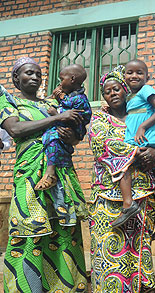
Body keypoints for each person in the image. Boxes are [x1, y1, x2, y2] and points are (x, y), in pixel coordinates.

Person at [0, 57, 87, 292]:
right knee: (29, 231)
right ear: (16, 78)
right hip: (29, 176)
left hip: (61, 174)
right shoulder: (10, 102)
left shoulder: (51, 102)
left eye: (39, 74)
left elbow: (76, 132)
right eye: (29, 73)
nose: (36, 77)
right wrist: (58, 118)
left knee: (64, 232)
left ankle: (65, 287)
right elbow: (15, 129)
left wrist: (73, 137)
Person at [88, 68, 155, 292]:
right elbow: (102, 144)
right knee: (108, 250)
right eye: (106, 92)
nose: (112, 94)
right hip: (108, 198)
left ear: (125, 89)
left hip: (144, 196)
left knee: (139, 252)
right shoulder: (100, 118)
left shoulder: (143, 114)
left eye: (116, 88)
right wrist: (138, 152)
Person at [108, 61, 155, 240]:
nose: (134, 76)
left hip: (148, 137)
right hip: (149, 138)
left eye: (139, 72)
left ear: (147, 76)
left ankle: (128, 203)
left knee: (123, 163)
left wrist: (143, 127)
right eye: (129, 72)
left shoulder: (146, 90)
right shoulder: (131, 96)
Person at [35, 64, 92, 190]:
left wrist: (57, 108)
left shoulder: (78, 98)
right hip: (64, 127)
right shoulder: (71, 96)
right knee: (51, 137)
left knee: (53, 137)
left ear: (72, 79)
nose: (60, 84)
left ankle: (50, 173)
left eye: (61, 80)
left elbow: (70, 112)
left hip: (73, 129)